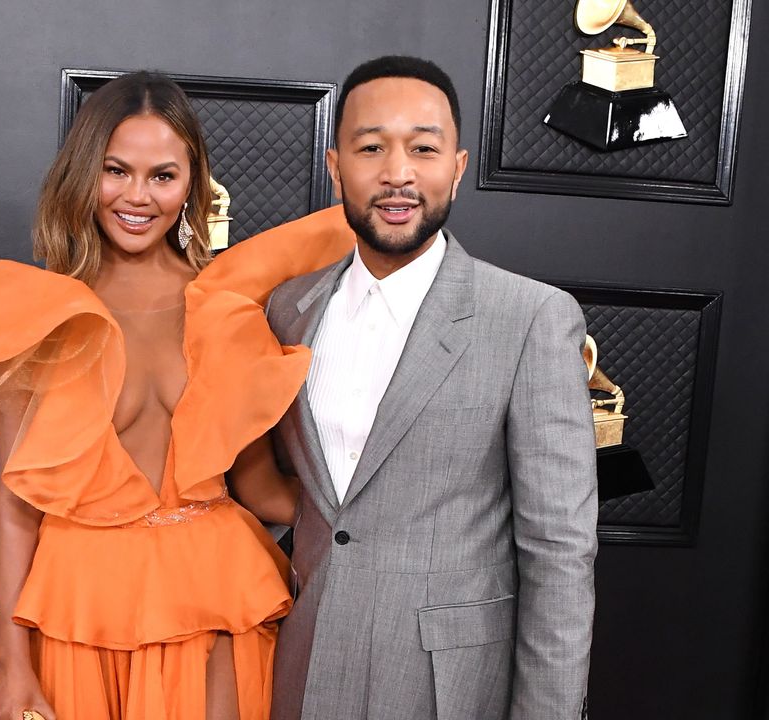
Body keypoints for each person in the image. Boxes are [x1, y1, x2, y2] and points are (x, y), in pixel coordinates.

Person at [0, 72, 352, 720]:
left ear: (193, 185)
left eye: (162, 176)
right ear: (85, 172)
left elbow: (260, 488)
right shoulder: (39, 318)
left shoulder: (229, 309)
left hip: (214, 602)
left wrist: (376, 518)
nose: (137, 197)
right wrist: (12, 666)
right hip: (80, 613)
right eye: (116, 170)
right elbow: (16, 515)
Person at [253, 55, 598, 719]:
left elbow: (560, 552)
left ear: (458, 169)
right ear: (335, 167)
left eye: (423, 148)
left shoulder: (528, 318)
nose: (398, 173)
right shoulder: (287, 310)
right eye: (372, 147)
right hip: (306, 665)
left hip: (451, 687)